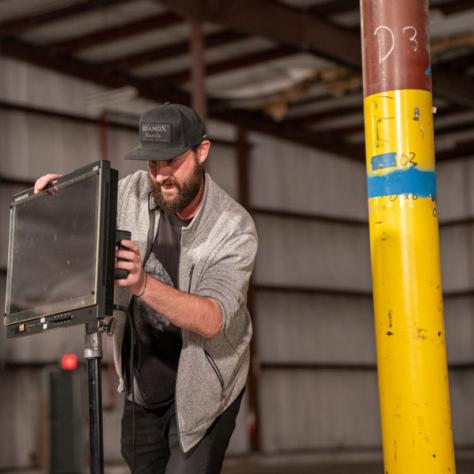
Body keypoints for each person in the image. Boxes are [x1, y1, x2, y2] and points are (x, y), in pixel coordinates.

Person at [34, 103, 258, 474]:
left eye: (172, 161)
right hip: (143, 384)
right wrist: (62, 193)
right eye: (153, 163)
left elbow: (212, 319)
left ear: (202, 151)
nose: (161, 176)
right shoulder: (137, 191)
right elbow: (92, 206)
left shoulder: (233, 228)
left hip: (205, 390)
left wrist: (142, 284)